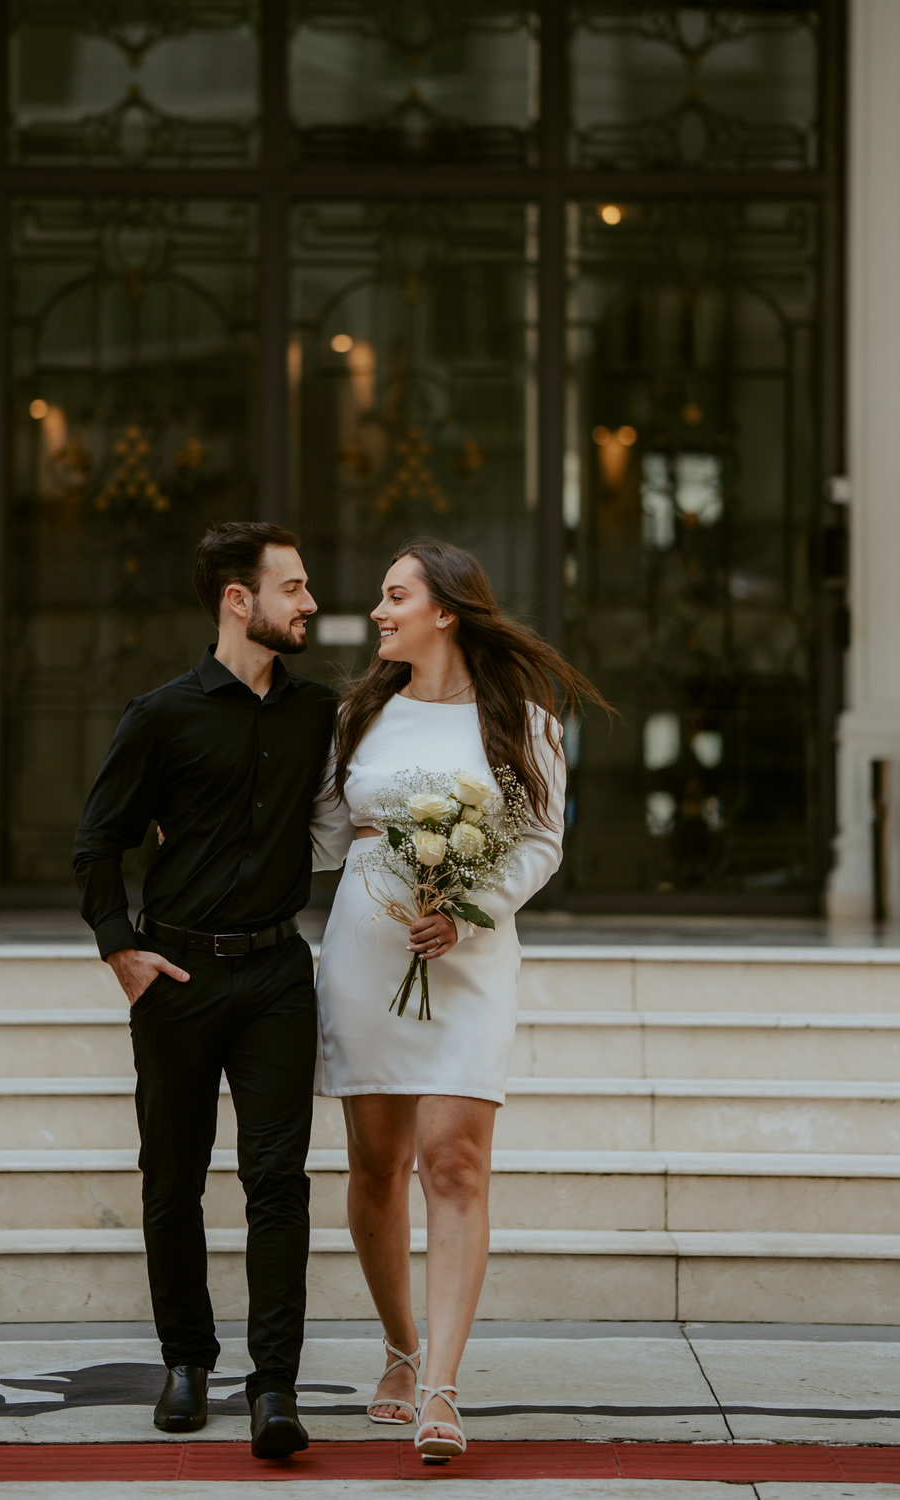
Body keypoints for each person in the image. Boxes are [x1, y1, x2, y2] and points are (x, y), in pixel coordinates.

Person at [310, 538, 608, 1465]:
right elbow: (321, 838)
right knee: (375, 1164)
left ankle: (440, 1385)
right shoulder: (359, 716)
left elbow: (539, 842)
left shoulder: (523, 723)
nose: (379, 611)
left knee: (457, 1162)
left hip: (471, 960)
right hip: (366, 953)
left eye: (395, 595)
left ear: (446, 608)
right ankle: (398, 1348)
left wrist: (469, 909)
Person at [73, 522, 336, 1459]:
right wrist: (122, 952)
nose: (310, 603)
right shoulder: (160, 715)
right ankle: (186, 1361)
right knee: (172, 1177)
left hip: (275, 976)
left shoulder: (319, 715)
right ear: (240, 599)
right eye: (294, 587)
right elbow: (96, 841)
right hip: (176, 975)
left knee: (278, 1183)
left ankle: (275, 1388)